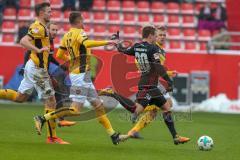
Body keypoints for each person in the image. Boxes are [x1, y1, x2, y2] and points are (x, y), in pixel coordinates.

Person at [33, 11, 123, 145]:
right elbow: (87, 44)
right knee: (75, 110)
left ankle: (113, 134)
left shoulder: (67, 35)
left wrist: (72, 59)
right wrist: (108, 41)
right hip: (80, 76)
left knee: (98, 105)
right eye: (83, 20)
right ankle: (42, 118)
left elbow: (59, 54)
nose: (84, 22)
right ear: (79, 21)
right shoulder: (80, 33)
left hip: (81, 74)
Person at [0, 2, 69, 144]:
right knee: (51, 101)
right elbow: (23, 40)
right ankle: (52, 138)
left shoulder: (41, 27)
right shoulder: (39, 27)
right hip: (37, 69)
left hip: (33, 66)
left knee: (21, 97)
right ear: (42, 13)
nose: (51, 14)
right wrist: (37, 50)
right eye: (49, 12)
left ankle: (51, 136)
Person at [112, 26, 190, 145]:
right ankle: (114, 94)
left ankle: (175, 137)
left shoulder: (138, 46)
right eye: (158, 35)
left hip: (151, 83)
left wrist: (117, 43)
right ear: (151, 36)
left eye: (164, 35)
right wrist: (169, 80)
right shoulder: (154, 48)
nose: (160, 37)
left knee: (166, 108)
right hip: (149, 84)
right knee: (139, 109)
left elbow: (123, 50)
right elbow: (157, 67)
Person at [19, 22, 76, 127]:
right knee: (52, 96)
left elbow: (49, 57)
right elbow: (28, 52)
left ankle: (58, 120)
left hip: (41, 70)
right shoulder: (43, 40)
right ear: (47, 30)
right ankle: (54, 124)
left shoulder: (50, 42)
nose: (55, 32)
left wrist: (59, 65)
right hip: (36, 70)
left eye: (56, 30)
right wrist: (23, 66)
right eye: (52, 30)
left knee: (20, 97)